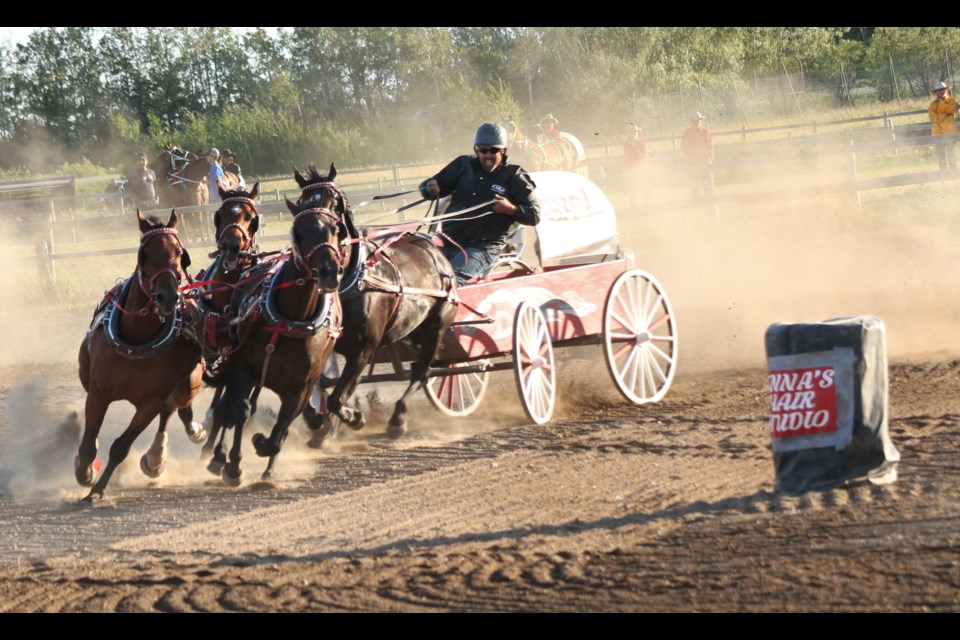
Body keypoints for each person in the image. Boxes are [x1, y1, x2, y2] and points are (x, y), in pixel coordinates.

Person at [419, 122, 541, 286]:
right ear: (476, 150)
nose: (488, 155)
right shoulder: (463, 165)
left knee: (450, 281)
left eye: (493, 150)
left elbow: (534, 215)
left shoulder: (514, 177)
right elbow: (430, 187)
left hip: (483, 248)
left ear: (503, 151)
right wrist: (430, 187)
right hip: (449, 241)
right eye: (483, 150)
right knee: (416, 273)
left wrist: (510, 209)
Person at [680, 112, 715, 199]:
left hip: (704, 161)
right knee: (694, 184)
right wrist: (686, 160)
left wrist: (710, 158)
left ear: (701, 121)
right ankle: (696, 202)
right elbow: (683, 147)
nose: (697, 122)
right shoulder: (687, 133)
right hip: (692, 162)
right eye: (694, 120)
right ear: (691, 122)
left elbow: (710, 146)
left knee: (708, 183)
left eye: (698, 120)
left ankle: (709, 200)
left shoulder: (706, 132)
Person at [928, 81, 958, 171]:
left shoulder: (951, 100)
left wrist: (941, 103)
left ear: (946, 90)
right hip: (938, 133)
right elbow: (933, 118)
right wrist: (944, 115)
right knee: (941, 154)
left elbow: (951, 110)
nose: (942, 91)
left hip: (950, 132)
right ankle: (943, 171)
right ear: (936, 92)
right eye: (939, 90)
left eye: (943, 89)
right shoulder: (932, 104)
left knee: (951, 153)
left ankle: (953, 170)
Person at [622, 124, 649, 207]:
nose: (634, 134)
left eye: (635, 132)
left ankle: (646, 204)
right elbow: (627, 156)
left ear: (638, 133)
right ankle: (634, 206)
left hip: (640, 169)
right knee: (632, 189)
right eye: (632, 132)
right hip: (631, 169)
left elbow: (644, 154)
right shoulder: (626, 144)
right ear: (629, 133)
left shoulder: (641, 143)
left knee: (643, 187)